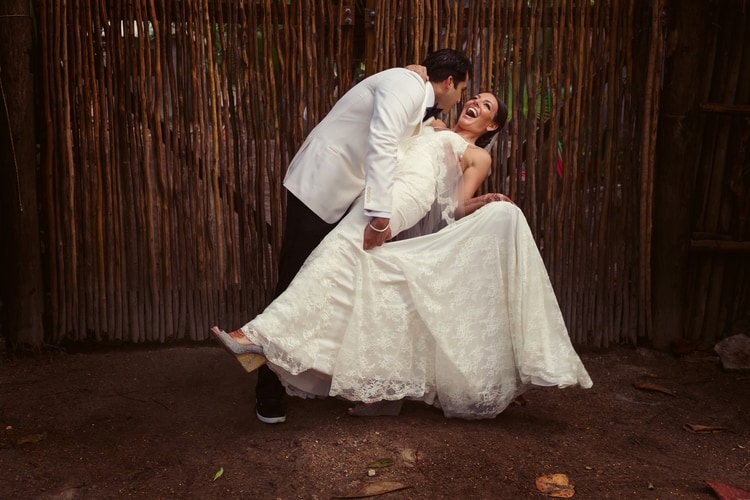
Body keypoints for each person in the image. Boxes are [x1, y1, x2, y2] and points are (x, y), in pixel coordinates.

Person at [213, 93, 593, 420]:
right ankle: (374, 390)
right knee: (364, 279)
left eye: (487, 104)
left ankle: (259, 334)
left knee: (341, 252)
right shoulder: (431, 125)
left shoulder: (477, 156)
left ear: (492, 125)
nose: (475, 102)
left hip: (406, 204)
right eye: (475, 97)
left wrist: (486, 199)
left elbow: (456, 206)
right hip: (379, 195)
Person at [253, 49, 473, 424]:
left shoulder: (416, 97)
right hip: (321, 186)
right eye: (463, 90)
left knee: (321, 284)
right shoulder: (406, 85)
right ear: (449, 82)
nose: (459, 101)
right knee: (293, 283)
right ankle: (265, 390)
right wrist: (379, 217)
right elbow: (383, 143)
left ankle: (304, 374)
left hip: (346, 194)